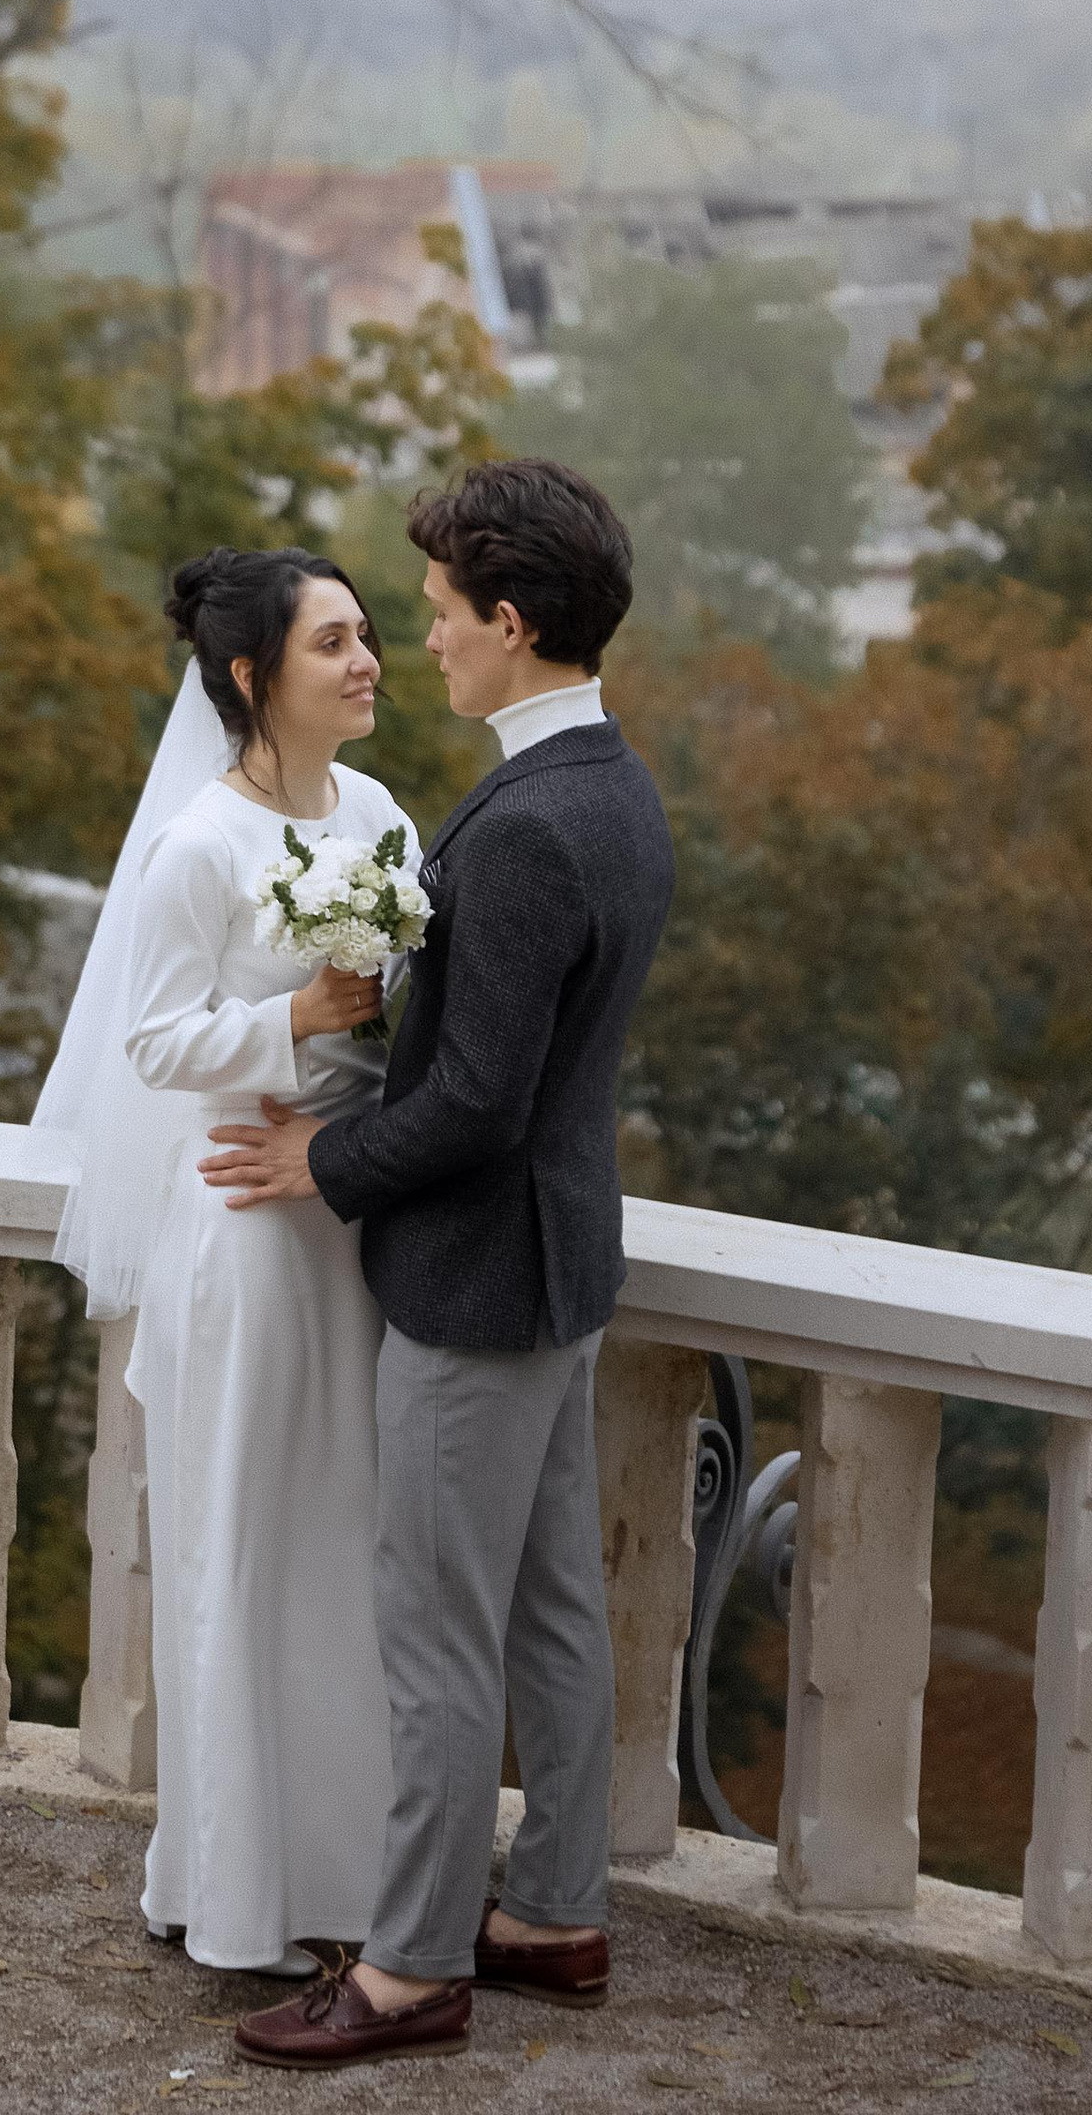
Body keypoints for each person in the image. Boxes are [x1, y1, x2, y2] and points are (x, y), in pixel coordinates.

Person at [209, 454, 674, 2073]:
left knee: (434, 1625)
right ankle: (553, 1912)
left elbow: (475, 1102)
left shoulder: (534, 828)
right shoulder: (611, 785)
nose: (427, 643)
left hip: (480, 1288)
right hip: (560, 1274)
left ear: (514, 617)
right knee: (552, 1609)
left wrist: (322, 1159)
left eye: (440, 614)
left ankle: (410, 1969)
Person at [30, 543, 421, 1976]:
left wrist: (371, 1055)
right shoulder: (197, 843)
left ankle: (361, 1886)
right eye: (335, 644)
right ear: (255, 677)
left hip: (353, 1227)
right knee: (247, 1556)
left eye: (370, 634)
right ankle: (239, 1891)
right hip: (247, 1224)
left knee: (347, 1558)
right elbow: (149, 1041)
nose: (370, 660)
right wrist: (299, 1023)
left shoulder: (381, 815)